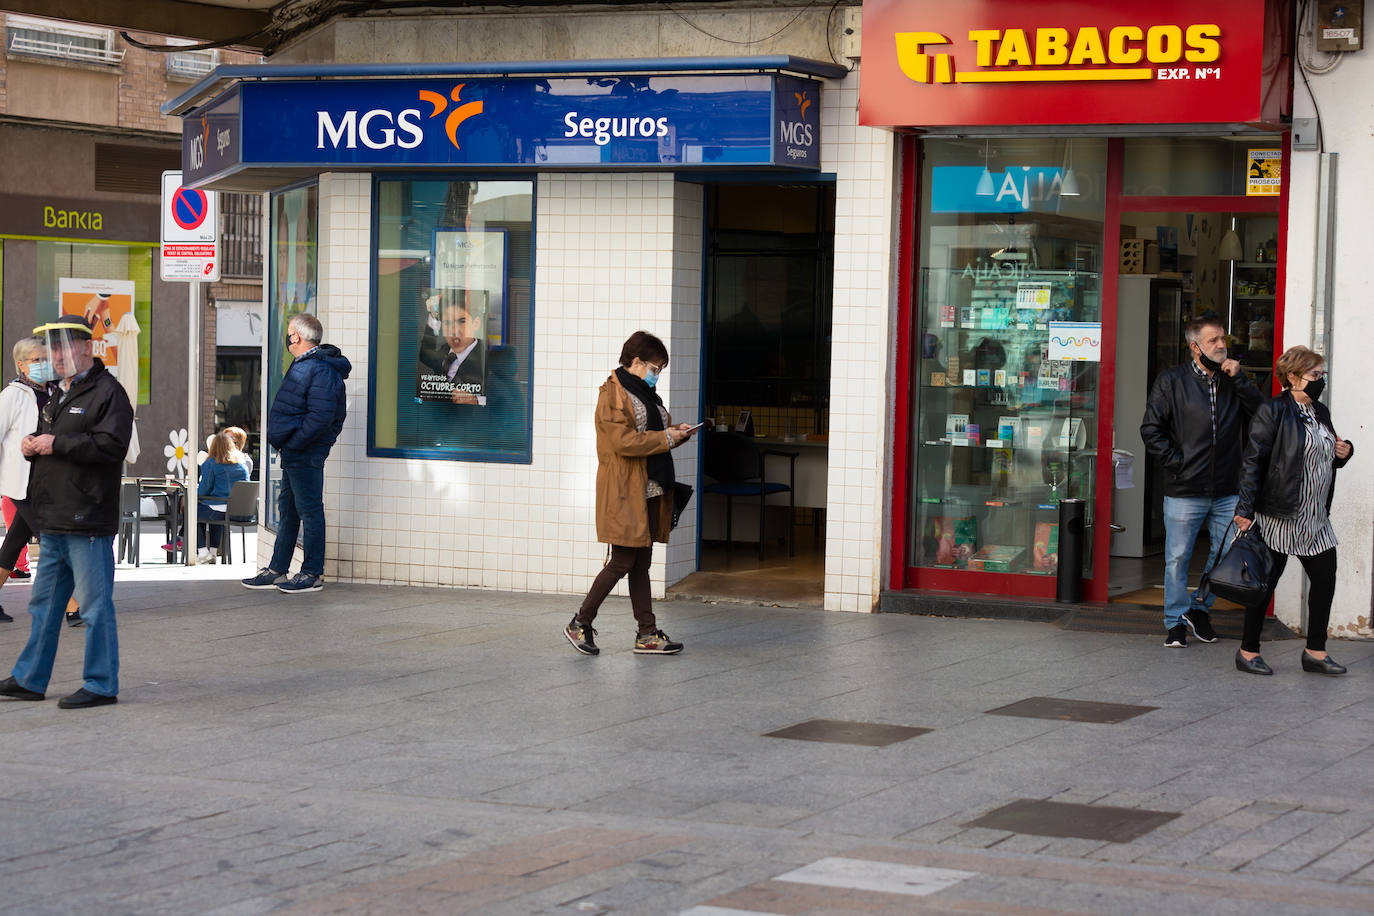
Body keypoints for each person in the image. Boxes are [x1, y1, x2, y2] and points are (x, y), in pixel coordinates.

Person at [0, 321, 133, 709]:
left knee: (93, 605)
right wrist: (30, 447)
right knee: (43, 605)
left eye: (63, 349)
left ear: (87, 348)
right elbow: (53, 448)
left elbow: (111, 446)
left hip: (86, 517)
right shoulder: (61, 392)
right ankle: (29, 678)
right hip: (56, 517)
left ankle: (101, 684)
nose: (56, 357)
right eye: (52, 350)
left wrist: (56, 442)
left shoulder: (108, 392)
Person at [564, 331, 695, 657]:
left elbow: (653, 432)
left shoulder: (645, 393)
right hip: (624, 491)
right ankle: (580, 622)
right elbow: (623, 442)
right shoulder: (612, 394)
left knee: (641, 563)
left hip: (650, 490)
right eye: (655, 368)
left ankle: (647, 634)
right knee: (623, 560)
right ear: (636, 362)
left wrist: (676, 432)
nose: (657, 375)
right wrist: (666, 438)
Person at [1140, 318, 1262, 648]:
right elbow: (1151, 429)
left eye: (1223, 339)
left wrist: (1241, 381)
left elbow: (1263, 415)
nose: (1222, 345)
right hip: (1184, 488)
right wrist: (1179, 463)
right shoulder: (1172, 381)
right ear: (1195, 348)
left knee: (1224, 555)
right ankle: (1174, 622)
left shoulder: (1232, 380)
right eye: (1214, 341)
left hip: (1226, 488)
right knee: (1177, 558)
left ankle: (1199, 609)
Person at [1232, 346, 1354, 675]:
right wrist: (1245, 508)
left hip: (1315, 516)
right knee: (1264, 584)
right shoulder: (1273, 411)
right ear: (1293, 377)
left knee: (1325, 579)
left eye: (1322, 375)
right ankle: (1248, 650)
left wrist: (1344, 452)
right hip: (1281, 514)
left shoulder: (1320, 412)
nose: (1320, 381)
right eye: (1315, 376)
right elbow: (1253, 461)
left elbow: (1323, 452)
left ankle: (1315, 652)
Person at [242, 313, 350, 594]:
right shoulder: (308, 365)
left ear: (297, 337)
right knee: (288, 512)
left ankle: (312, 573)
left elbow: (322, 416)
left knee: (310, 511)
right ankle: (278, 569)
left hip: (304, 452)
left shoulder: (321, 369)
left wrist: (296, 442)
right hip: (295, 452)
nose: (287, 337)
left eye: (289, 332)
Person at [0, 337, 50, 623]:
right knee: (54, 540)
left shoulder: (54, 393)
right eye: (36, 359)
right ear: (21, 365)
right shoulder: (13, 395)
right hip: (23, 484)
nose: (43, 364)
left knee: (14, 542)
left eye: (45, 358)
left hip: (46, 483)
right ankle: (73, 606)